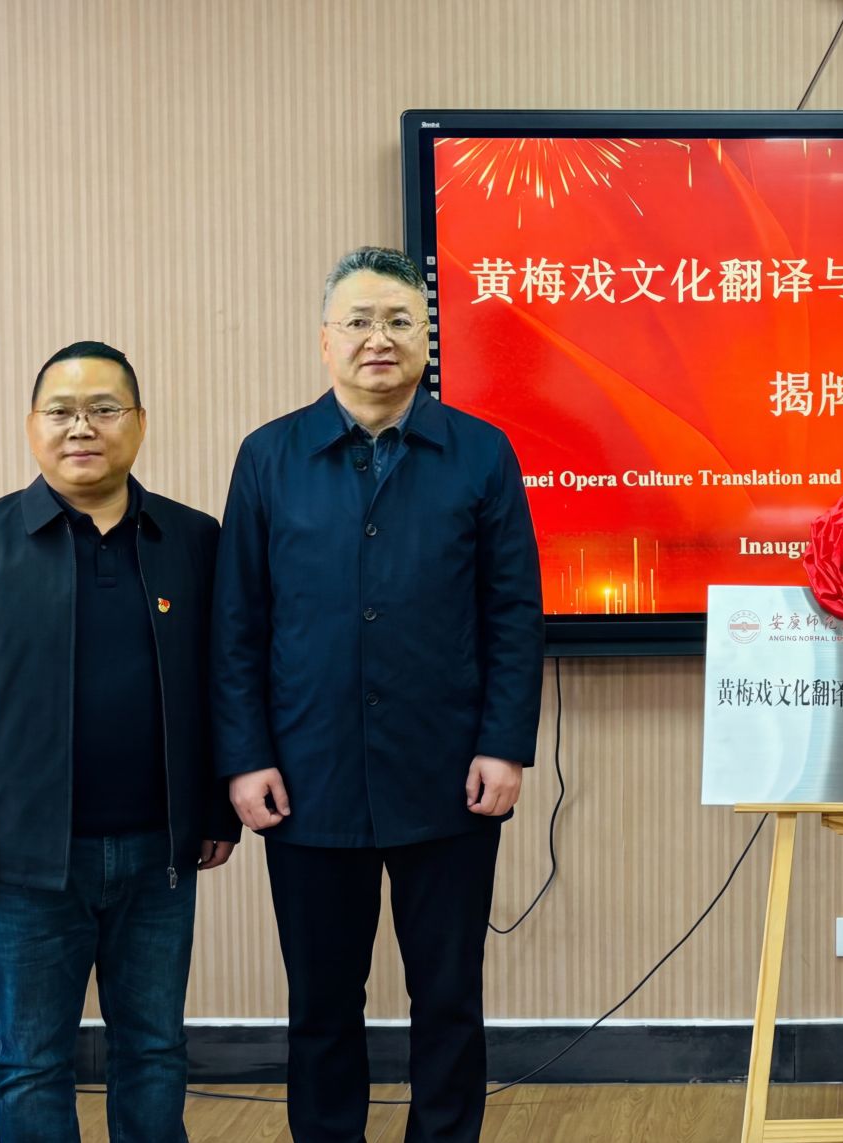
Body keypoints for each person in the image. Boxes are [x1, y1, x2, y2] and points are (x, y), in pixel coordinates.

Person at [212, 246, 544, 1143]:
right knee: (321, 1002)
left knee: (449, 996)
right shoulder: (269, 457)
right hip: (307, 778)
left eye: (399, 320)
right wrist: (245, 758)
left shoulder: (481, 454)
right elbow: (237, 622)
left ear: (427, 339)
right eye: (358, 321)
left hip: (449, 774)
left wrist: (505, 744)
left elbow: (513, 612)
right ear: (325, 340)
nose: (378, 338)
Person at [0, 341, 237, 1142]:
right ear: (32, 426)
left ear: (139, 422)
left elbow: (226, 682)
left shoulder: (194, 540)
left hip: (159, 856)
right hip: (23, 863)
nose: (81, 426)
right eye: (61, 411)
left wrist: (216, 809)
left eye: (103, 408)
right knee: (30, 1061)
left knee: (154, 1049)